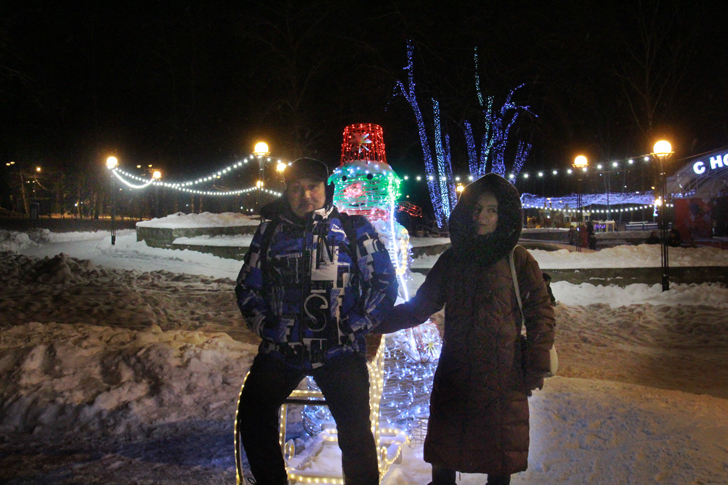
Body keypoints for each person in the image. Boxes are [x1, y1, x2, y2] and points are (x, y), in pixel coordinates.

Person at [375, 173, 555, 485]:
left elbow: (541, 313)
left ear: (505, 215)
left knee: (497, 466)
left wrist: (537, 362)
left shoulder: (519, 261)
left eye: (492, 210)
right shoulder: (453, 260)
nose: (482, 217)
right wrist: (374, 321)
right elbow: (421, 306)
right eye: (476, 209)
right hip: (456, 375)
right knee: (445, 460)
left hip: (502, 378)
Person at [235, 157, 398, 485]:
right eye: (296, 189)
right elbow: (247, 286)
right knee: (252, 416)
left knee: (355, 433)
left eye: (312, 187)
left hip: (339, 352)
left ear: (327, 189)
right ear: (286, 192)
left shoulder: (353, 228)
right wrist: (267, 327)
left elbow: (383, 282)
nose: (305, 195)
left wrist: (353, 324)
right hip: (282, 351)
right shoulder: (270, 231)